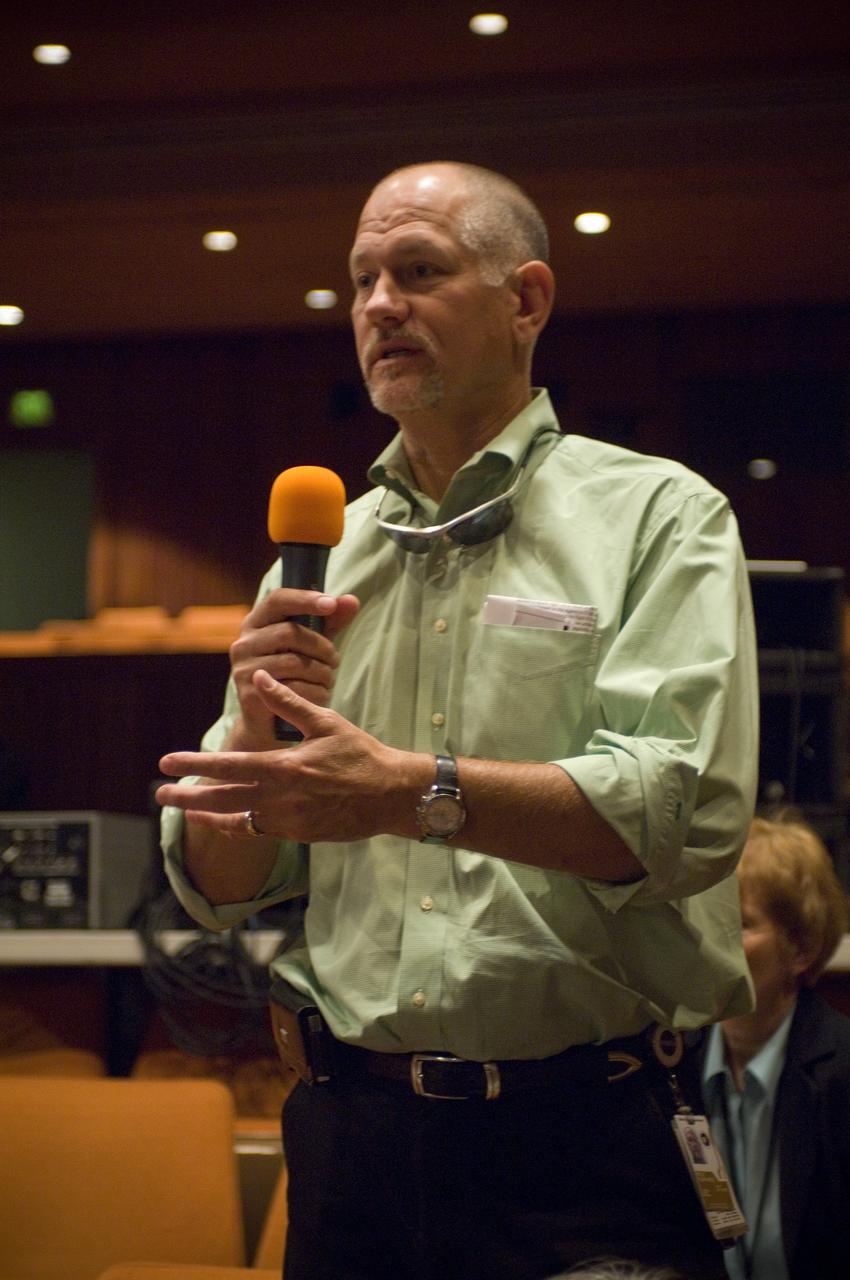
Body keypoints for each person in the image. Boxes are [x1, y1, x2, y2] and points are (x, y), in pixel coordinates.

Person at [157, 161, 759, 1280]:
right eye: (362, 281)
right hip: (351, 1143)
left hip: (580, 1144)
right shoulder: (319, 553)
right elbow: (221, 886)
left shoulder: (659, 515)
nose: (379, 305)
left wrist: (405, 791)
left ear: (525, 299)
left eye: (419, 271)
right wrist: (248, 745)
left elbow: (683, 810)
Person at [701, 815, 850, 1280]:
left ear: (801, 949)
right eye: (707, 920)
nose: (709, 943)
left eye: (738, 924)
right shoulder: (668, 1065)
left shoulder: (843, 1071)